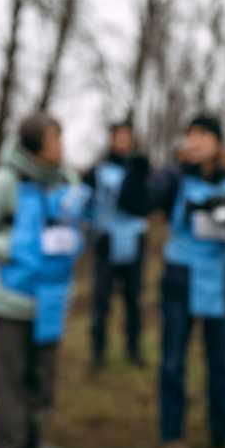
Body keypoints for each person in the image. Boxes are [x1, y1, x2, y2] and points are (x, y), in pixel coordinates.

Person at [118, 115, 225, 448]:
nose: (194, 141)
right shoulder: (172, 178)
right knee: (174, 359)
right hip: (180, 278)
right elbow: (136, 203)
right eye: (190, 134)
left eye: (203, 135)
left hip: (220, 278)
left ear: (219, 144)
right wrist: (136, 168)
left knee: (219, 359)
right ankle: (172, 435)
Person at [0, 112, 88, 448]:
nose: (62, 146)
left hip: (51, 298)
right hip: (11, 299)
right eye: (55, 139)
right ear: (35, 147)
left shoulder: (67, 179)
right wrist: (18, 245)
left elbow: (75, 222)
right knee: (12, 379)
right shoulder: (4, 182)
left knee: (42, 377)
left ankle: (35, 443)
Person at [83, 120, 148, 370]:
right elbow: (85, 205)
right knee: (101, 302)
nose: (123, 141)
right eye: (119, 136)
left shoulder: (140, 168)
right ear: (111, 139)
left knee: (134, 301)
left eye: (127, 136)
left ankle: (133, 351)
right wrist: (90, 233)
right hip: (106, 244)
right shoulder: (96, 171)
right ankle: (97, 354)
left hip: (134, 243)